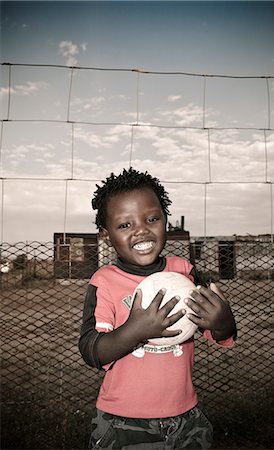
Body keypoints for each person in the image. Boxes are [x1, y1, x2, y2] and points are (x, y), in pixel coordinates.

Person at [79, 167, 237, 450]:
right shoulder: (104, 282)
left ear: (166, 221)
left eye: (152, 218)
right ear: (105, 234)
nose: (141, 229)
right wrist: (134, 331)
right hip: (122, 422)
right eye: (125, 225)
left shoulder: (185, 272)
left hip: (185, 416)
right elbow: (91, 350)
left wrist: (222, 320)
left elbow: (220, 333)